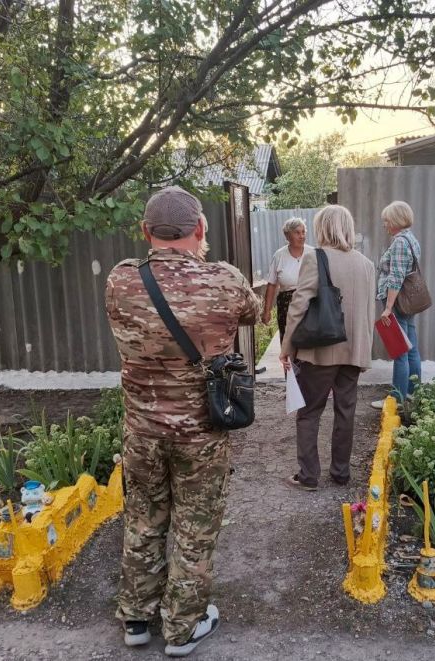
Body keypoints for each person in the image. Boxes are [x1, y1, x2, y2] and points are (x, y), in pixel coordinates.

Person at [105, 186, 259, 657]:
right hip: (201, 434)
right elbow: (252, 313)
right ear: (199, 229)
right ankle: (183, 627)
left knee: (143, 518)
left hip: (143, 433)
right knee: (195, 527)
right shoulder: (225, 281)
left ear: (146, 231)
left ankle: (136, 616)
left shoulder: (120, 280)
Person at [279, 205, 376, 491]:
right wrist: (364, 350)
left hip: (320, 351)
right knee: (346, 411)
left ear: (324, 228)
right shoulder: (366, 264)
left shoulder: (315, 257)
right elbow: (368, 312)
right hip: (353, 351)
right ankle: (341, 473)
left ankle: (309, 476)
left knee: (309, 412)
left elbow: (299, 305)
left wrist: (287, 346)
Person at [371, 200, 422, 410]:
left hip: (398, 303)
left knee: (400, 351)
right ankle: (411, 393)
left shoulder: (400, 242)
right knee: (411, 350)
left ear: (396, 220)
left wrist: (388, 307)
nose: (385, 225)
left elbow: (397, 277)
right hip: (407, 302)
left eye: (387, 220)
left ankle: (396, 400)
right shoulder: (411, 239)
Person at [261, 217, 313, 339]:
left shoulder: (313, 253)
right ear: (287, 236)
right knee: (288, 341)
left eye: (303, 232)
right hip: (286, 305)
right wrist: (267, 311)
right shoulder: (279, 255)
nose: (301, 236)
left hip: (310, 303)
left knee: (309, 341)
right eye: (297, 232)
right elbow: (272, 284)